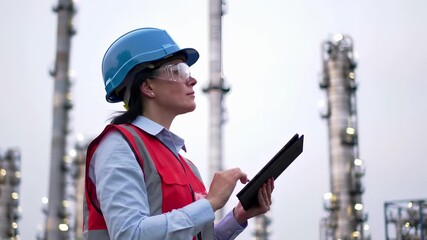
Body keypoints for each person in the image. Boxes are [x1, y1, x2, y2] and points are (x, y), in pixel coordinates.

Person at [83, 27, 274, 240]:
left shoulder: (187, 166)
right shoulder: (119, 145)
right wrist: (209, 203)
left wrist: (237, 217)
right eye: (178, 71)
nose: (191, 80)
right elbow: (130, 234)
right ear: (147, 86)